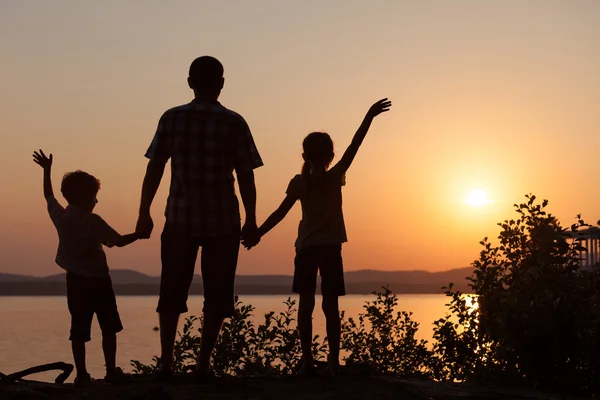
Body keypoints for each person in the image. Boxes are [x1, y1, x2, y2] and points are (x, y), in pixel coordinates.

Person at [135, 56, 263, 379]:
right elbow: (247, 176)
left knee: (171, 290)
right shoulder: (235, 123)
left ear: (190, 82)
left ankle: (166, 362)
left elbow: (155, 167)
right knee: (217, 294)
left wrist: (143, 212)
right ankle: (202, 365)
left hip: (180, 218)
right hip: (223, 221)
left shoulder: (172, 118)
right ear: (221, 84)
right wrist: (251, 219)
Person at [243, 98, 392, 374]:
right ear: (330, 157)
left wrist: (258, 234)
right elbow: (354, 146)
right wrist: (369, 116)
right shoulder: (333, 177)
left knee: (306, 303)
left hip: (308, 248)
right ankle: (332, 362)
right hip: (328, 248)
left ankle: (309, 362)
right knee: (329, 304)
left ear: (304, 156)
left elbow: (278, 213)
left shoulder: (300, 182)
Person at [32, 150, 143, 385]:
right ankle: (111, 371)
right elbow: (119, 241)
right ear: (85, 197)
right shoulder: (93, 221)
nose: (96, 201)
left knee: (79, 328)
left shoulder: (61, 217)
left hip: (75, 281)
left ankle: (82, 374)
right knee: (109, 326)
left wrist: (46, 171)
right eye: (94, 196)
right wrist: (140, 234)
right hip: (99, 281)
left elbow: (48, 196)